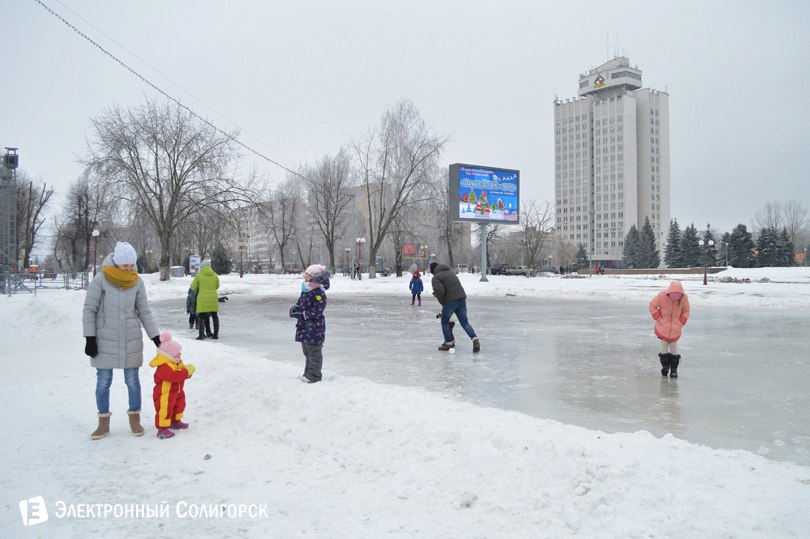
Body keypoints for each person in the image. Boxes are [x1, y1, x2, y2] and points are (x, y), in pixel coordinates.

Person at [82, 241, 161, 440]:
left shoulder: (137, 281)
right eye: (125, 265)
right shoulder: (101, 280)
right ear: (116, 262)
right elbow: (89, 310)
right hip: (104, 339)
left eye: (131, 264)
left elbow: (144, 311)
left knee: (133, 381)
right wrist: (89, 338)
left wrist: (156, 337)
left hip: (130, 339)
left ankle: (135, 420)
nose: (129, 268)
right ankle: (103, 423)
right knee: (103, 382)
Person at [149, 332, 196, 439]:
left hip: (177, 390)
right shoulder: (164, 365)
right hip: (164, 393)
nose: (180, 354)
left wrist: (188, 372)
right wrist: (186, 372)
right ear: (169, 354)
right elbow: (174, 376)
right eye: (177, 353)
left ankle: (174, 421)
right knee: (165, 409)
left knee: (178, 405)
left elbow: (182, 372)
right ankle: (162, 429)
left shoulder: (176, 362)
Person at [290, 264, 330, 383]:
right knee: (307, 351)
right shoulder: (307, 289)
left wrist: (304, 314)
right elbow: (301, 302)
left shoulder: (318, 292)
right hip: (304, 326)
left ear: (314, 277)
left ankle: (314, 375)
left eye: (307, 274)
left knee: (314, 352)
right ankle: (307, 373)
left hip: (314, 326)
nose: (305, 276)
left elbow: (318, 309)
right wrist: (296, 309)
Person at [430, 261, 480, 353]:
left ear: (433, 271)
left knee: (445, 321)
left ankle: (449, 343)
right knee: (464, 322)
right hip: (461, 298)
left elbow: (440, 292)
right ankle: (475, 339)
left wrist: (443, 302)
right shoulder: (450, 273)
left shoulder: (436, 277)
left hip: (450, 301)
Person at [648, 280, 691, 378]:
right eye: (673, 295)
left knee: (673, 347)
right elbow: (652, 306)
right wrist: (658, 317)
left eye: (678, 295)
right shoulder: (662, 296)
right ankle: (665, 367)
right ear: (669, 293)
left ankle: (674, 369)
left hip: (675, 328)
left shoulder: (684, 298)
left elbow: (686, 311)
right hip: (663, 326)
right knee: (664, 345)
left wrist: (681, 322)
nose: (675, 297)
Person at [191, 260, 220, 340]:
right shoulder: (214, 275)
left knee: (201, 316)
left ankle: (201, 335)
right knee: (215, 316)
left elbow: (193, 287)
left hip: (202, 298)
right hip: (213, 298)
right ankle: (216, 334)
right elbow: (217, 286)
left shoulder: (199, 275)